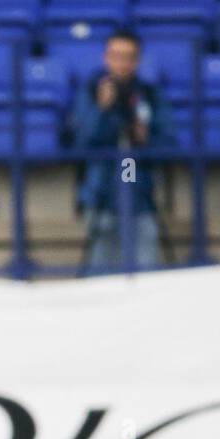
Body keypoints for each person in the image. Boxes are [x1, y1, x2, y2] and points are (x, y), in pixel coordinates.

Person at [70, 30, 173, 274]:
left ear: (137, 60)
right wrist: (102, 109)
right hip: (102, 195)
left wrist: (145, 137)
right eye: (116, 56)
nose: (122, 63)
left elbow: (169, 142)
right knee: (99, 279)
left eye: (128, 57)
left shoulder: (148, 94)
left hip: (141, 197)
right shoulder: (91, 91)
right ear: (106, 57)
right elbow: (82, 142)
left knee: (148, 275)